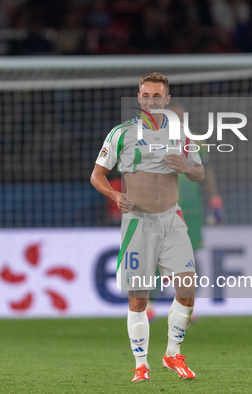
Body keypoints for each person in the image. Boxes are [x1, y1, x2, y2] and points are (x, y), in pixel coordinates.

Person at [90, 72, 204, 382]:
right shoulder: (121, 133)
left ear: (167, 99)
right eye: (145, 95)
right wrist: (115, 195)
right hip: (138, 223)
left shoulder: (181, 133)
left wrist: (187, 167)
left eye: (157, 96)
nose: (151, 101)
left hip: (172, 219)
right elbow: (97, 175)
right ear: (139, 98)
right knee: (139, 298)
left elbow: (200, 173)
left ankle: (172, 353)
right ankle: (141, 363)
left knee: (187, 287)